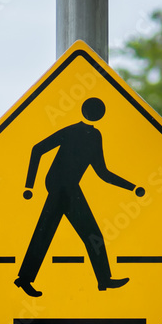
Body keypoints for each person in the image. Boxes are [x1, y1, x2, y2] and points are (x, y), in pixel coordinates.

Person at [14, 97, 145, 297]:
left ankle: (103, 280)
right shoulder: (71, 131)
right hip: (59, 186)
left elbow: (102, 173)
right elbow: (37, 149)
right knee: (52, 232)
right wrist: (28, 186)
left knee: (67, 232)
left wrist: (132, 187)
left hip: (70, 188)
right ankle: (26, 279)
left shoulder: (95, 136)